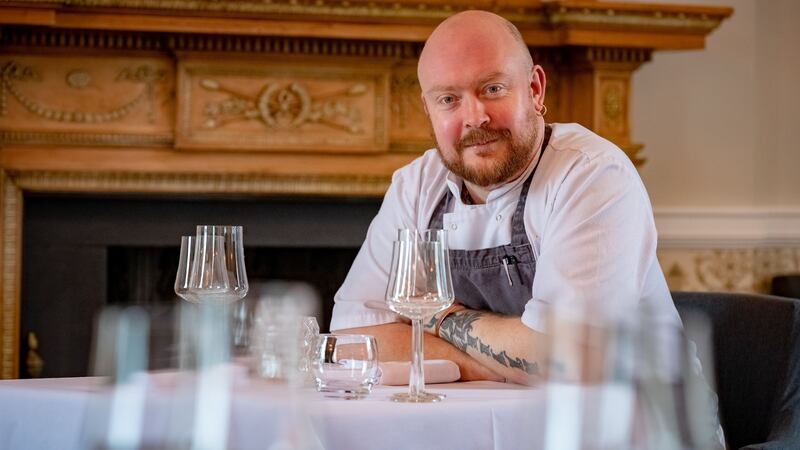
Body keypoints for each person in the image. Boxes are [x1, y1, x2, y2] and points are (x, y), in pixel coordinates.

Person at [328, 10, 682, 385]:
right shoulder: (415, 186)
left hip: (640, 415)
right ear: (428, 110)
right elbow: (352, 340)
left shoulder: (591, 175)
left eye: (492, 89)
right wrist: (498, 366)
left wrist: (442, 318)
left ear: (535, 89)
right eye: (448, 99)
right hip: (500, 416)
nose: (475, 117)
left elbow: (571, 362)